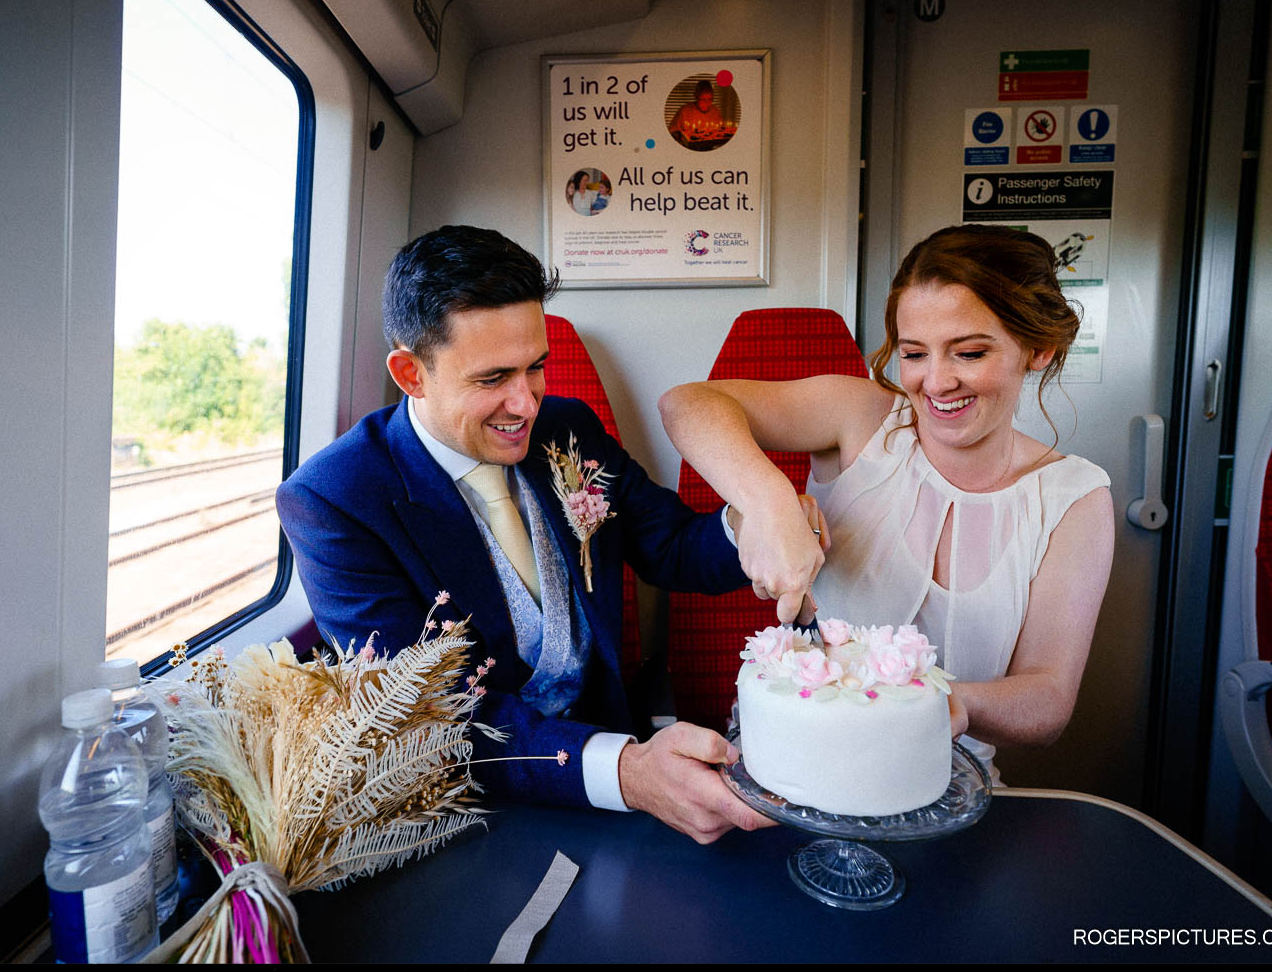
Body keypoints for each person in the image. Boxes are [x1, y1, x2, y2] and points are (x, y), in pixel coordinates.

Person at [276, 225, 784, 843]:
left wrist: (758, 521)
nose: (526, 404)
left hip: (614, 764)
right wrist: (625, 772)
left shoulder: (568, 428)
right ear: (411, 373)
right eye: (492, 380)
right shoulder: (334, 500)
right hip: (470, 812)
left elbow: (672, 547)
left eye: (536, 367)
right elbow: (424, 719)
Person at [658, 224, 1115, 781]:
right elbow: (688, 404)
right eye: (914, 353)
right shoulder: (861, 418)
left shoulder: (1076, 499)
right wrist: (771, 503)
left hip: (951, 786)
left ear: (1038, 348)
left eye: (969, 353)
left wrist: (937, 703)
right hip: (793, 770)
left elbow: (1047, 703)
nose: (936, 382)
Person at [668, 80, 733, 148]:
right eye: (703, 99)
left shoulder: (715, 111)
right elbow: (673, 131)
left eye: (710, 99)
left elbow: (720, 132)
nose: (706, 103)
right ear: (696, 96)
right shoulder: (685, 111)